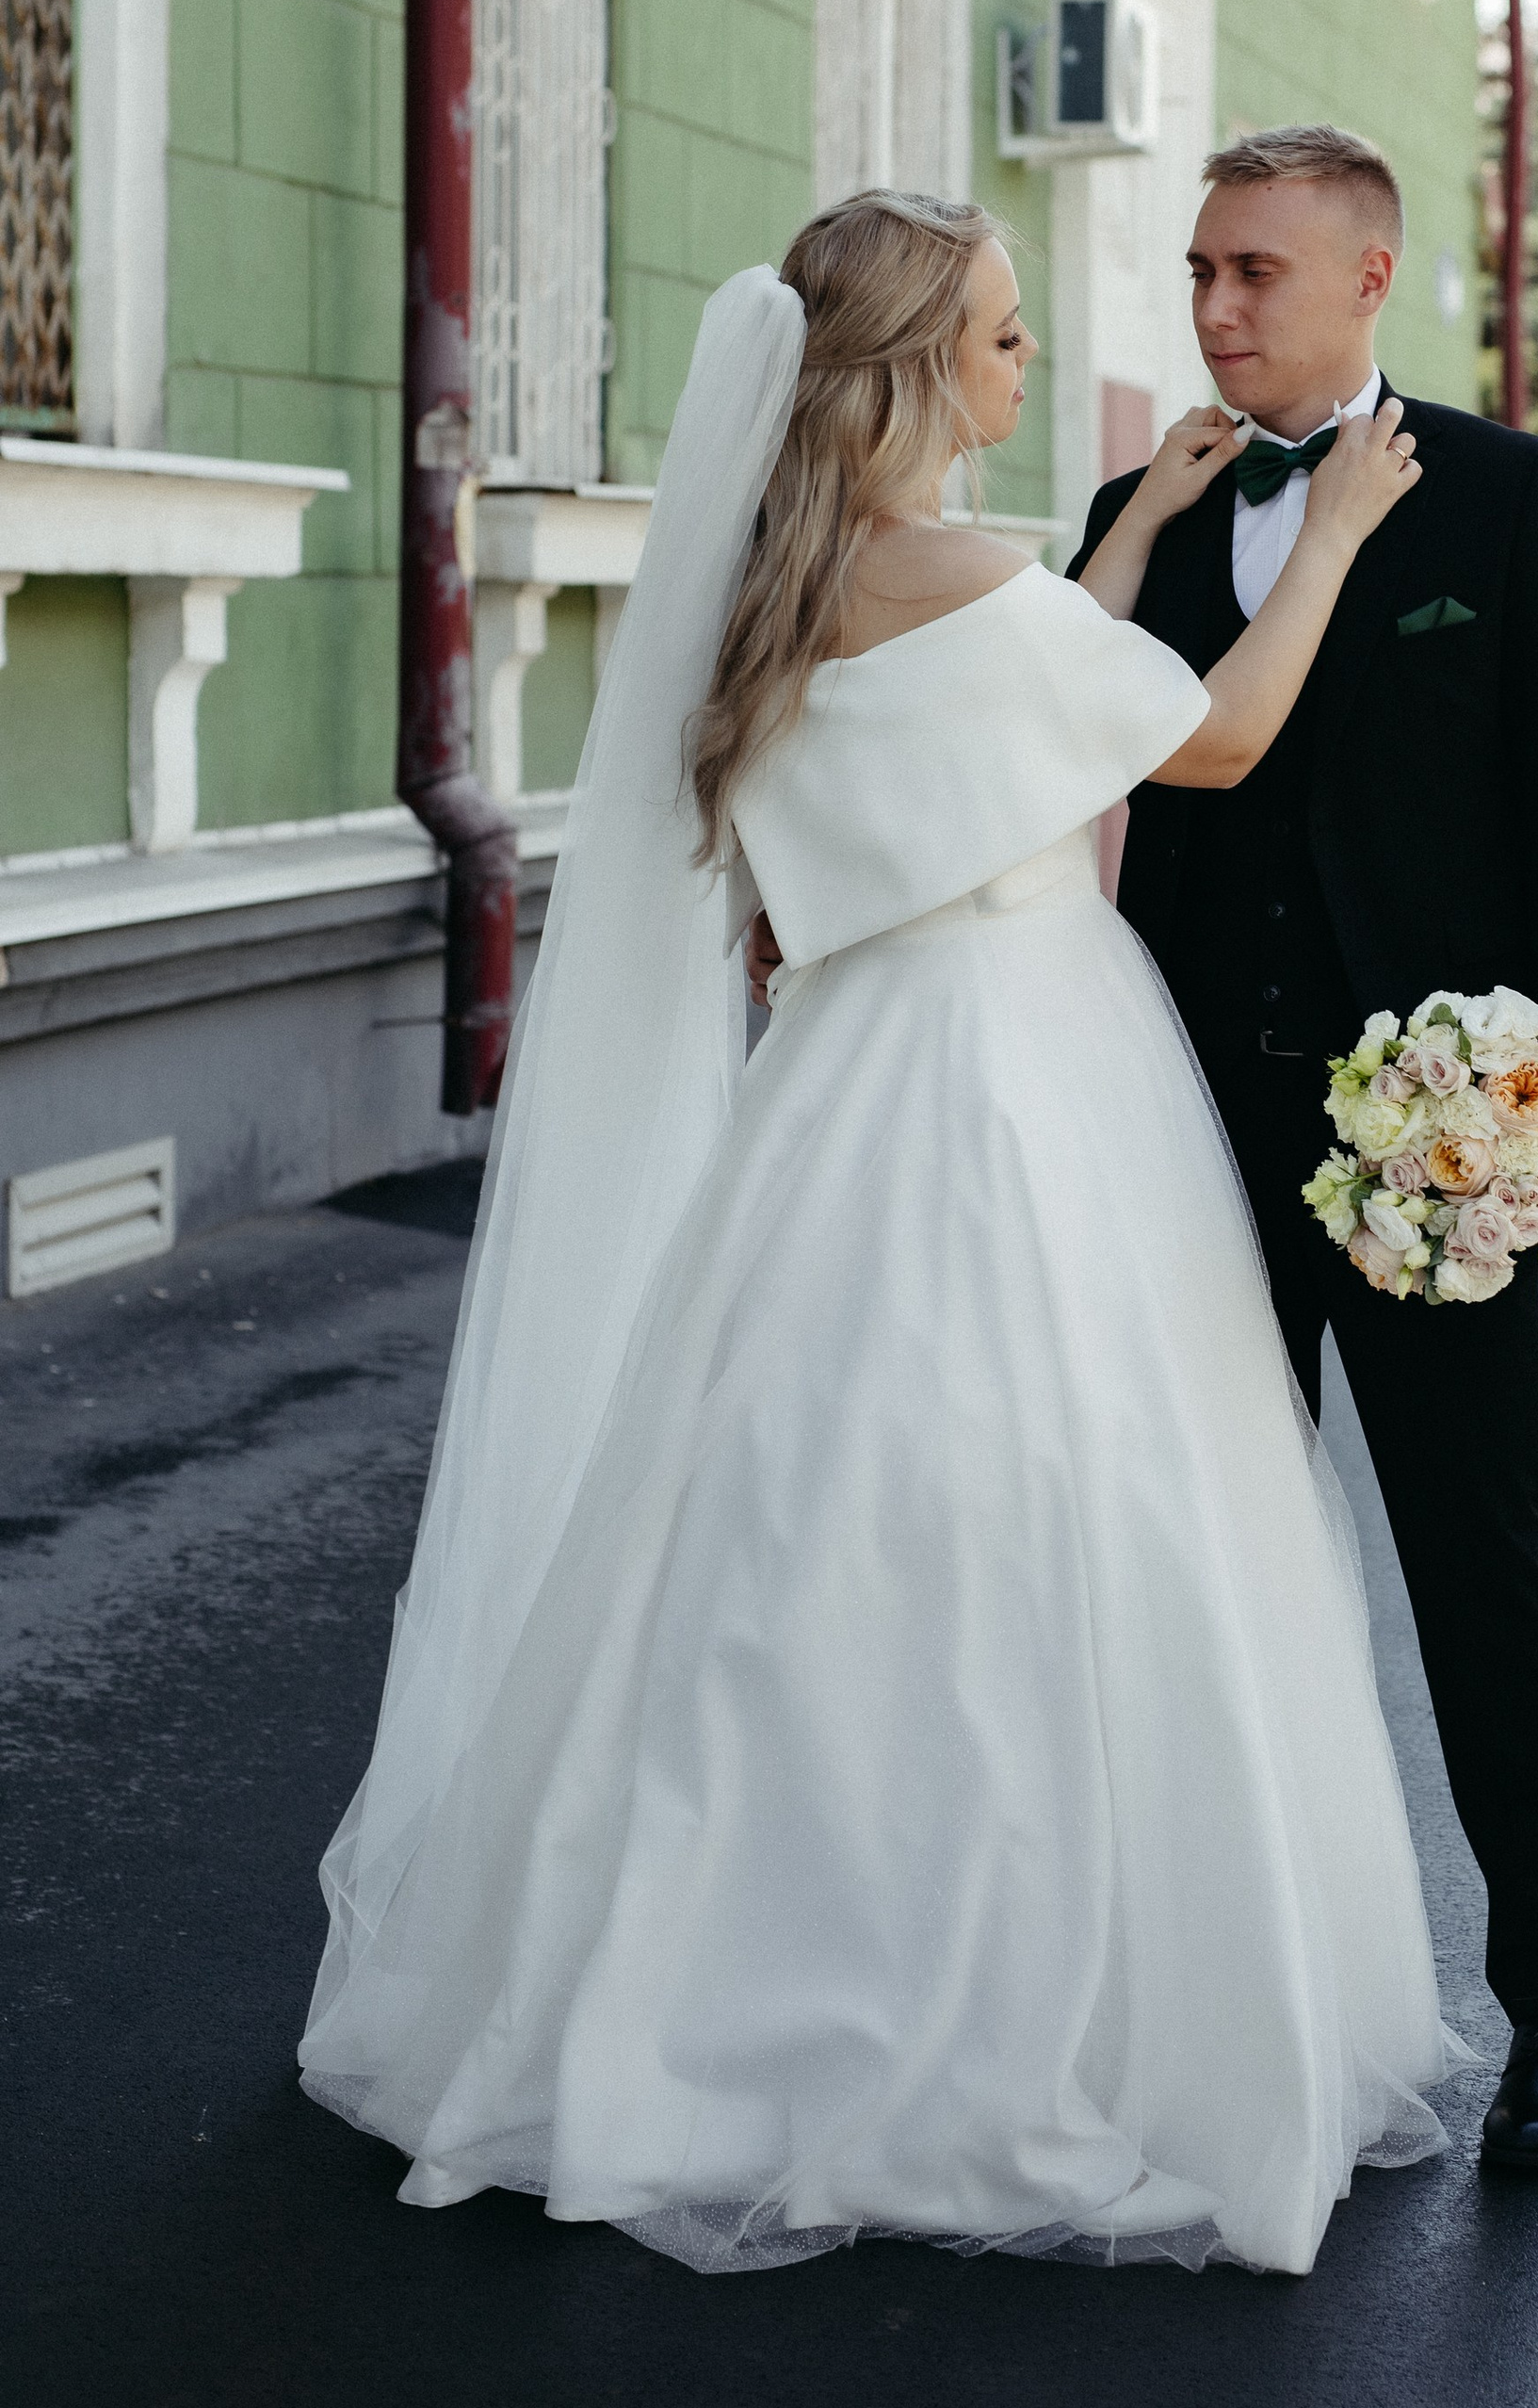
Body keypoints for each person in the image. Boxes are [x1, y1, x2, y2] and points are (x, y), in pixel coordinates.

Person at [301, 190, 1461, 2279]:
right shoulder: (975, 586)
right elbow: (1205, 735)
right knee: (1055, 1509)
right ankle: (1016, 1997)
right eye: (1004, 335)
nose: (1029, 364)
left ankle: (694, 1975)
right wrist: (1341, 538)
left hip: (843, 1077)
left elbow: (1006, 711)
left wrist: (1132, 533)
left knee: (784, 1521)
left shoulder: (788, 578)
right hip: (1022, 1084)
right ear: (922, 363)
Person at [1065, 125, 1538, 2178]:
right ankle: (1186, 2002)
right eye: (1199, 270)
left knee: (1480, 1559)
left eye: (1255, 273)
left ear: (1368, 279)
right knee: (1186, 1561)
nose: (1214, 307)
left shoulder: (1501, 495)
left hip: (1427, 1141)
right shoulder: (1138, 509)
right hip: (1180, 1130)